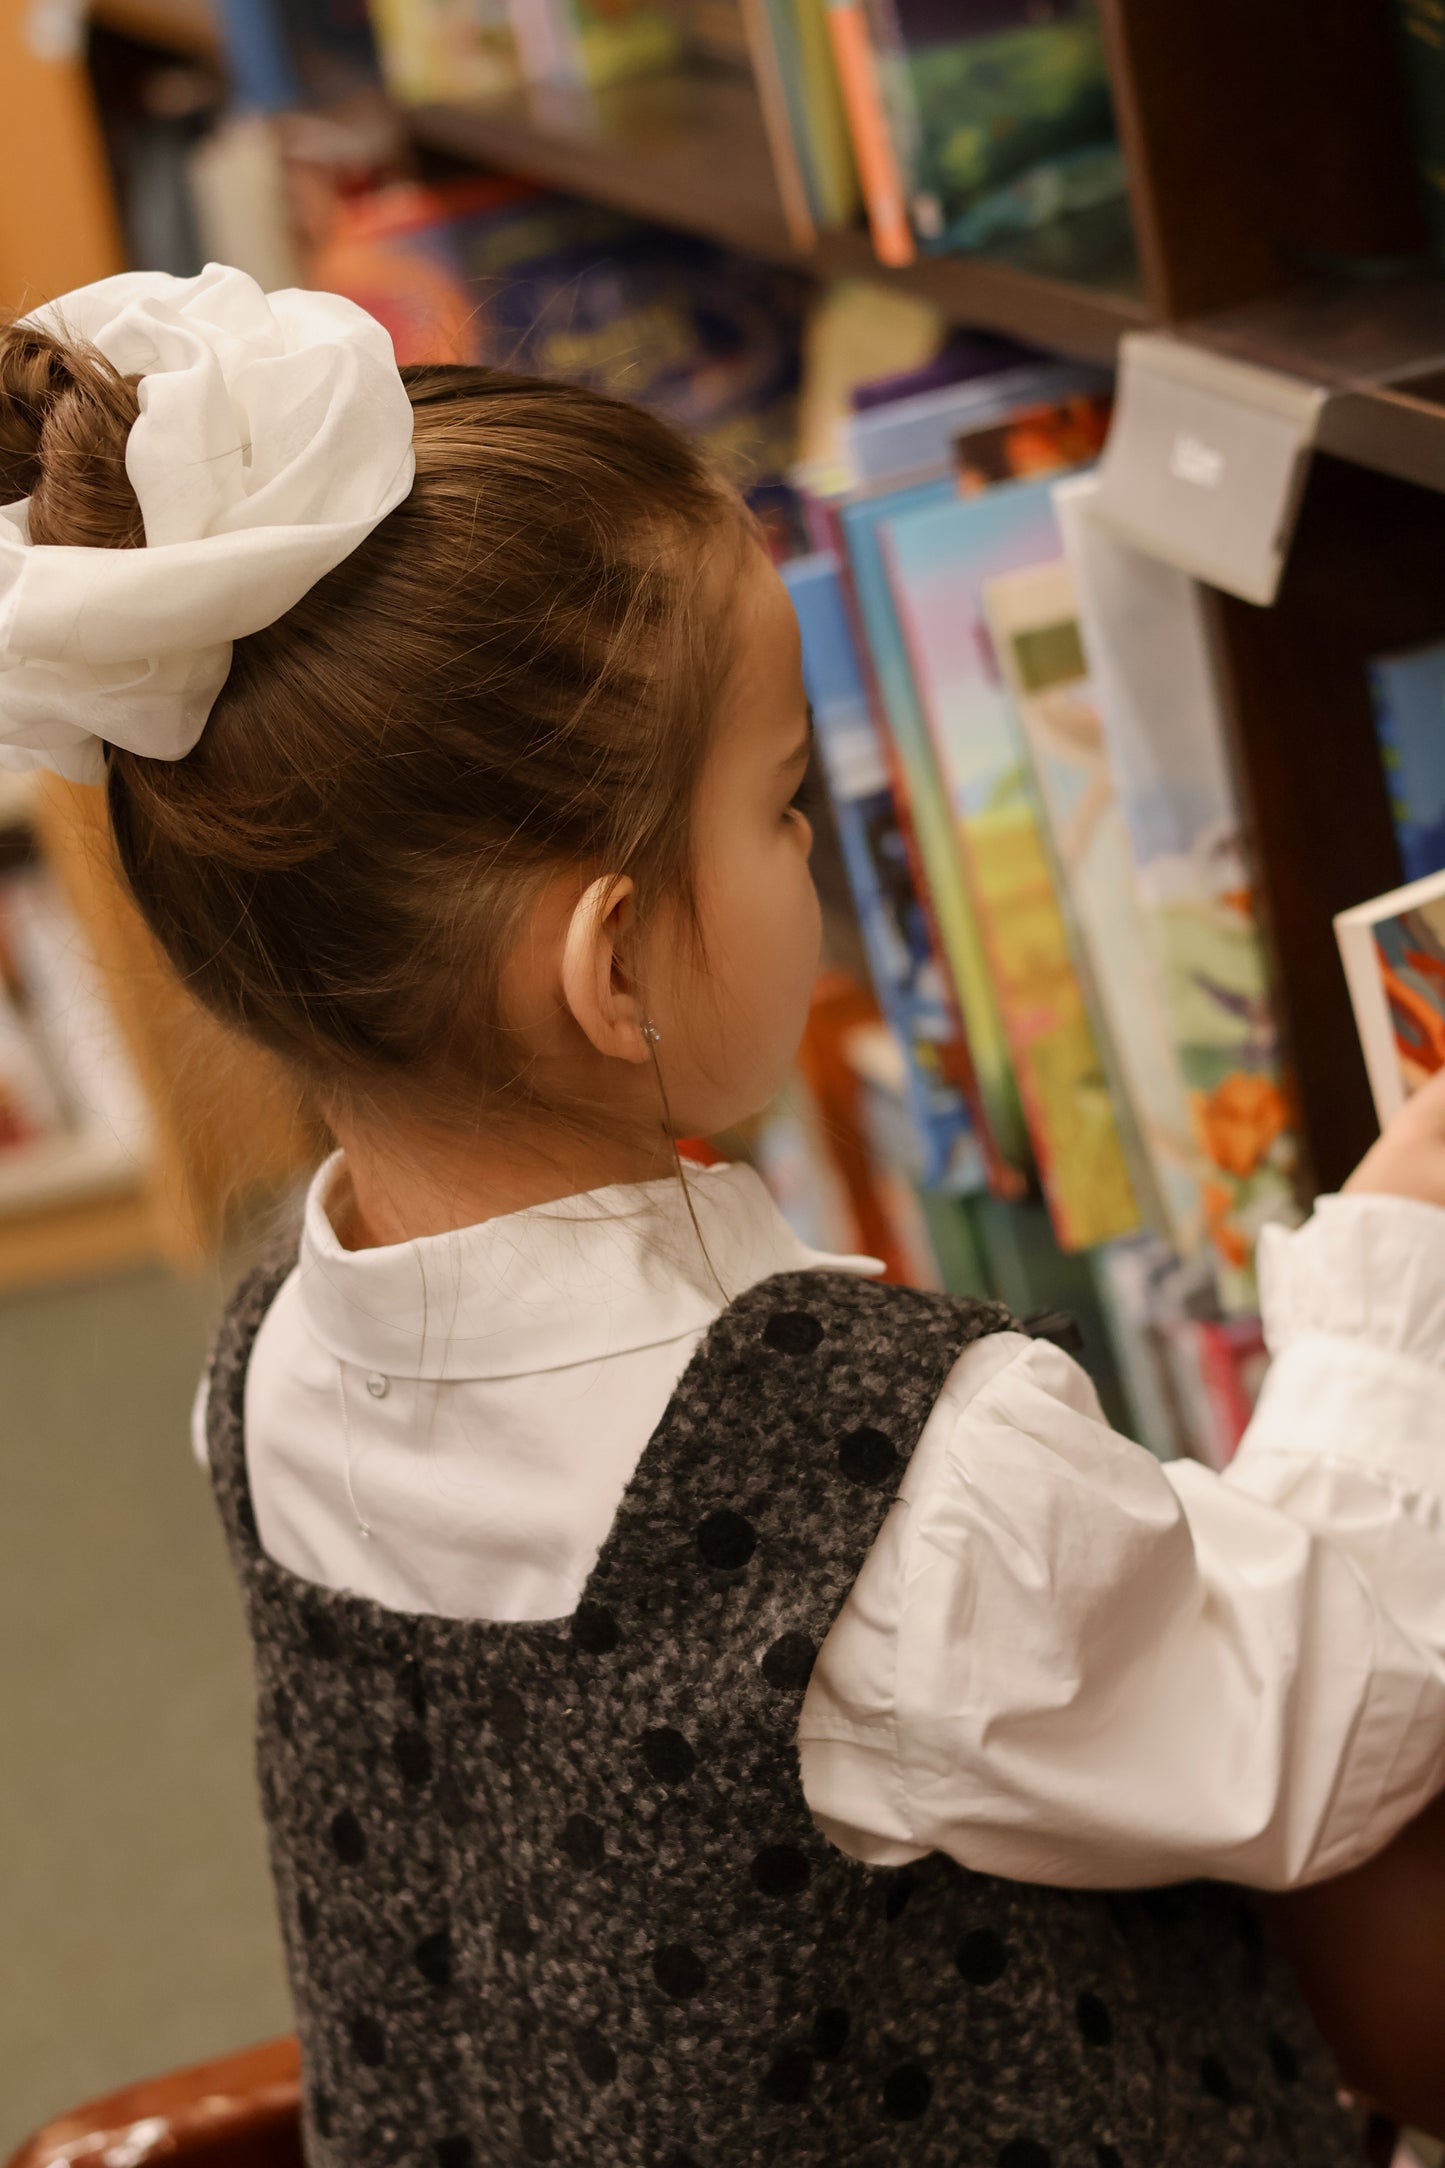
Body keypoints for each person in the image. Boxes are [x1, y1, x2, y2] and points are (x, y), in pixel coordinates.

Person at [3, 263, 1444, 2165]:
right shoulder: (883, 1494)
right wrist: (1396, 1268)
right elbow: (1320, 1726)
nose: (825, 849)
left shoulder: (269, 1364)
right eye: (779, 803)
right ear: (611, 971)